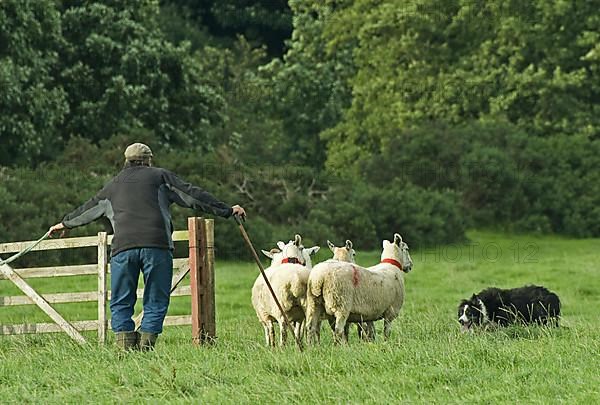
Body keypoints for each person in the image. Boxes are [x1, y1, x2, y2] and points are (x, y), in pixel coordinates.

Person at [49, 143, 246, 351]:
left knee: (121, 300)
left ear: (126, 161)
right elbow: (193, 195)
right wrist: (227, 210)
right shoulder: (160, 176)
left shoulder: (113, 185)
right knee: (156, 299)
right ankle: (145, 351)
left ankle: (125, 351)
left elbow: (88, 208)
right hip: (157, 246)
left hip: (123, 249)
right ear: (149, 160)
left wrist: (65, 223)